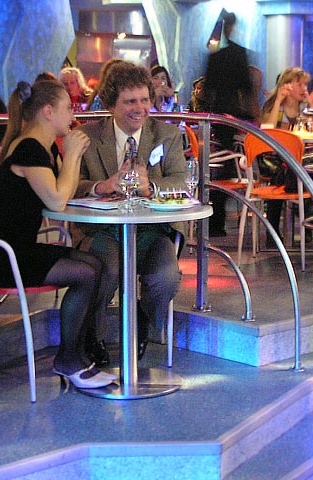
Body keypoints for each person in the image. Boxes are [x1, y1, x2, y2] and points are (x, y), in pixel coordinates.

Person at [0, 80, 116, 389]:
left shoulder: (44, 148)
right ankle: (69, 359)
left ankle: (79, 353)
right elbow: (57, 200)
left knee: (96, 265)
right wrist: (72, 155)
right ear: (48, 111)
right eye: (68, 108)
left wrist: (71, 155)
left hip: (19, 248)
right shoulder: (28, 148)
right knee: (85, 274)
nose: (73, 115)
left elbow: (65, 190)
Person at [74, 61, 186, 358]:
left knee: (165, 277)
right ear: (111, 104)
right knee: (106, 271)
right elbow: (70, 185)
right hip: (102, 229)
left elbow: (181, 181)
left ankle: (143, 321)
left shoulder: (167, 135)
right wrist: (102, 186)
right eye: (130, 101)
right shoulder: (87, 137)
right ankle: (93, 335)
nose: (140, 108)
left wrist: (152, 187)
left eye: (145, 100)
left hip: (152, 230)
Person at [203, 10, 256, 236]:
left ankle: (216, 219)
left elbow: (208, 90)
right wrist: (252, 114)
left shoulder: (215, 56)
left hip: (218, 115)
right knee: (229, 164)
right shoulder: (238, 53)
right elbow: (247, 88)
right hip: (234, 115)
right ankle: (219, 218)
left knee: (222, 165)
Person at [260, 67, 313, 244]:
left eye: (305, 84)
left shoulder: (305, 108)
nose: (304, 89)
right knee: (283, 174)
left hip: (300, 158)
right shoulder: (274, 106)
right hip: (275, 157)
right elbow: (267, 130)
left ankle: (307, 223)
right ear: (287, 85)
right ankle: (273, 230)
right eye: (300, 84)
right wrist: (278, 99)